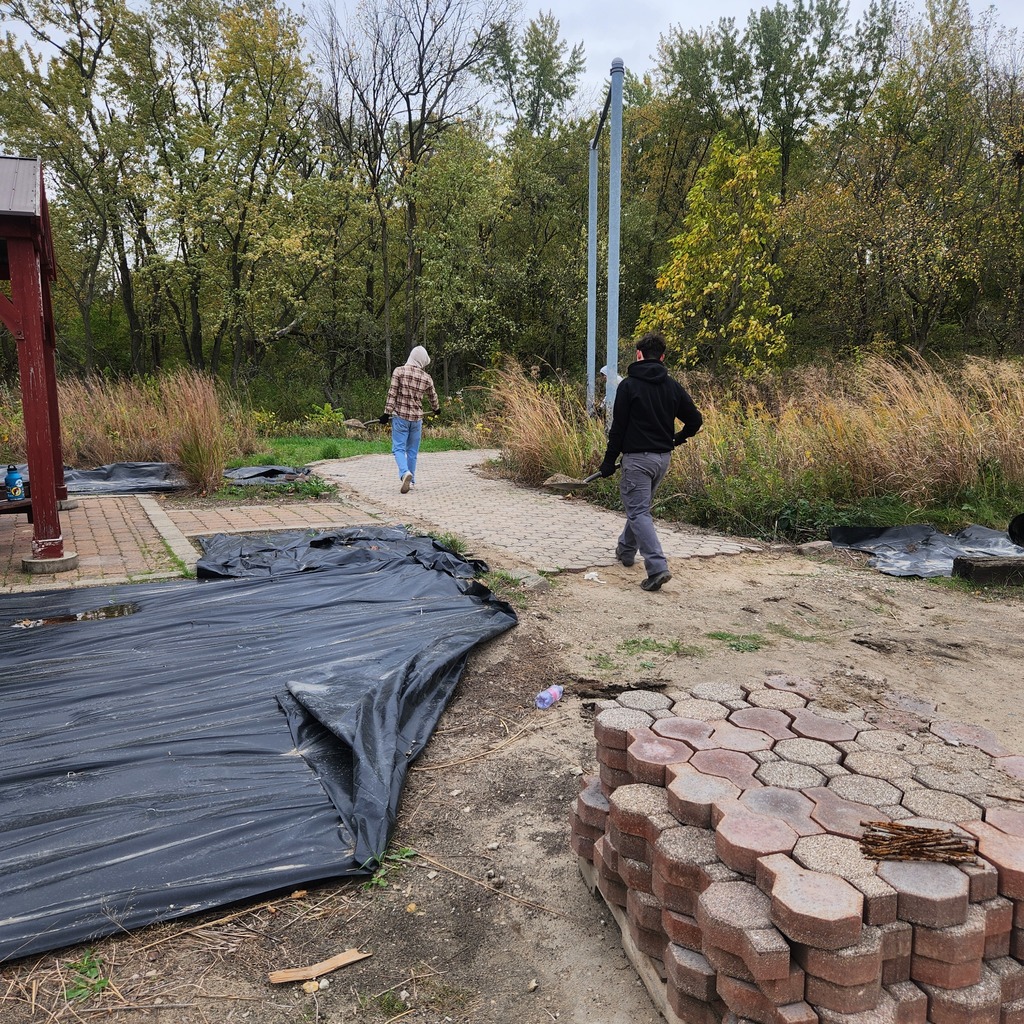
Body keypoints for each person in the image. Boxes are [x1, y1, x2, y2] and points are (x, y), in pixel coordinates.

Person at [598, 331, 703, 592]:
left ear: (638, 355)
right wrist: (676, 439)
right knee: (640, 508)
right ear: (662, 357)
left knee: (638, 511)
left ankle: (657, 567)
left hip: (637, 461)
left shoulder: (629, 386)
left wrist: (609, 461)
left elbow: (618, 429)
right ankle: (625, 551)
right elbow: (695, 420)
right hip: (661, 460)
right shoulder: (672, 386)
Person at [381, 345, 440, 493]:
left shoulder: (399, 371)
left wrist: (386, 413)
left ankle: (404, 473)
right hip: (417, 419)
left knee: (398, 448)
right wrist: (436, 409)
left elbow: (392, 394)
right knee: (412, 451)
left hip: (400, 417)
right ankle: (411, 481)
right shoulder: (426, 377)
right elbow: (433, 396)